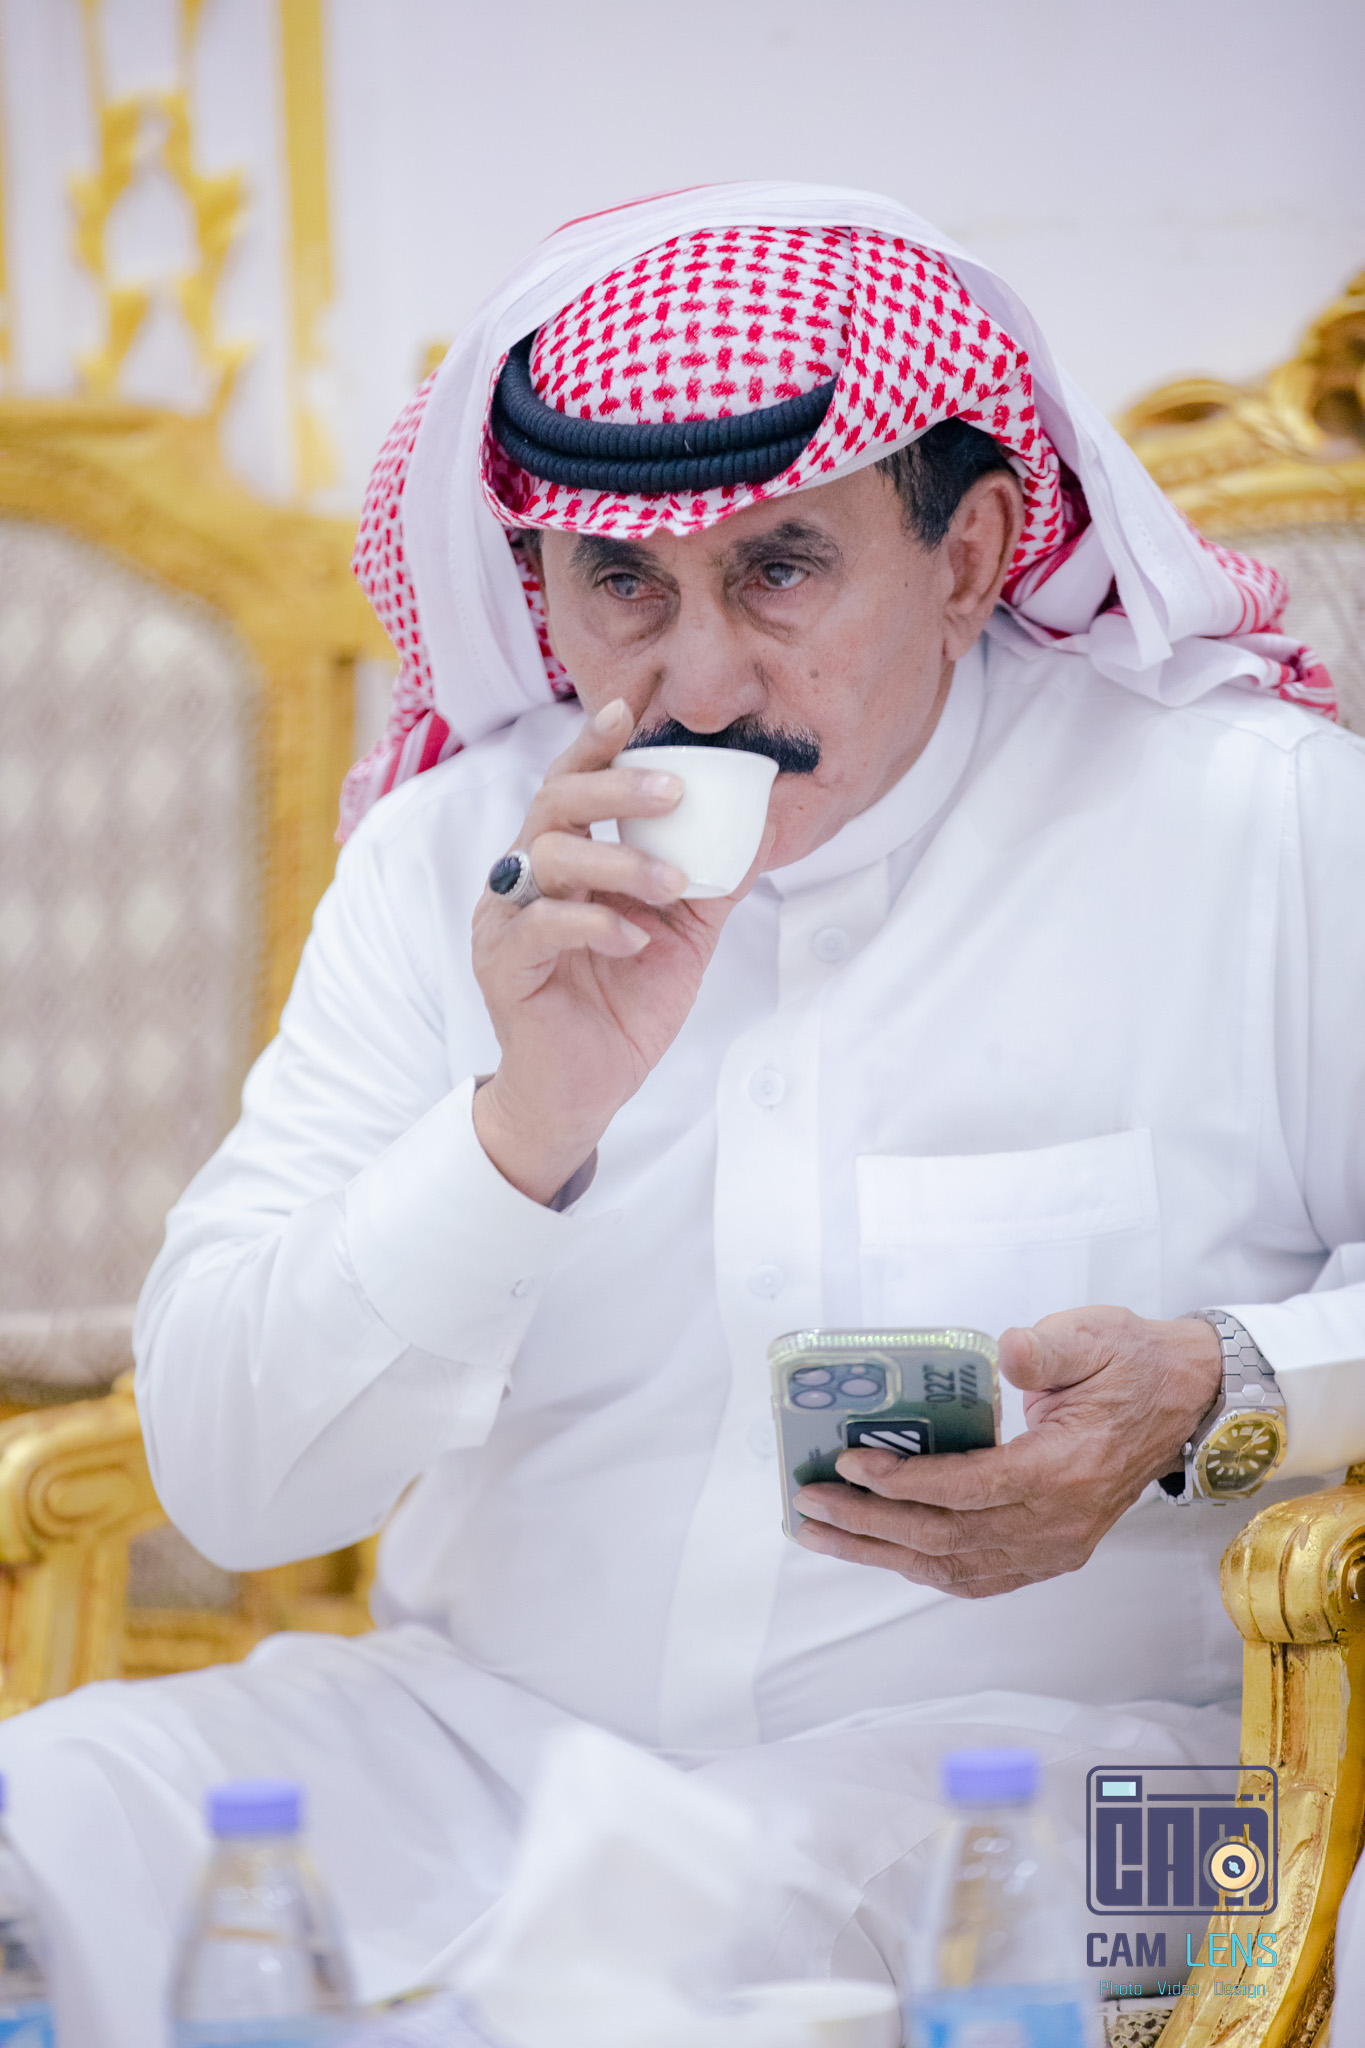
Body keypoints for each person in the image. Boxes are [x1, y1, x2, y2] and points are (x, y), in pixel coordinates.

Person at [2, 183, 1362, 2046]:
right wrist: (517, 1130)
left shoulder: (1256, 826)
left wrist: (1217, 1385)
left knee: (670, 1956)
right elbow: (237, 1485)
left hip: (1102, 1797)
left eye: (779, 570)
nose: (697, 683)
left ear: (970, 557)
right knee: (42, 1834)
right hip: (477, 1755)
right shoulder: (447, 866)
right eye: (621, 584)